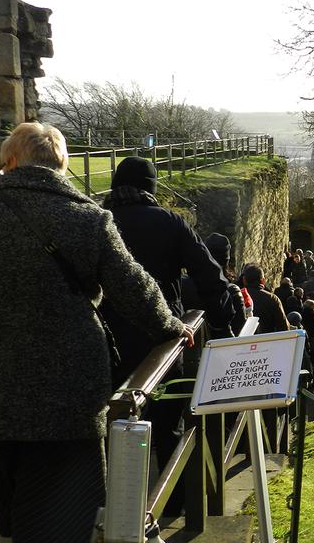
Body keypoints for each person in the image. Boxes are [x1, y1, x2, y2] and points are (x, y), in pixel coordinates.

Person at [0, 122, 192, 542]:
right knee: (68, 503)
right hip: (70, 384)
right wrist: (171, 326)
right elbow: (135, 289)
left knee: (15, 501)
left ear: (10, 161)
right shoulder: (89, 219)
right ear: (61, 165)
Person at [101, 155, 235, 516]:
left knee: (110, 422)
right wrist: (222, 319)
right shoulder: (169, 222)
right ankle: (174, 505)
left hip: (105, 339)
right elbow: (210, 277)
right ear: (151, 187)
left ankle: (115, 506)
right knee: (166, 425)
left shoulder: (98, 221)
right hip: (158, 341)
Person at [182, 233, 246, 336]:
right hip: (220, 349)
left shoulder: (182, 284)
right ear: (226, 261)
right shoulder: (231, 291)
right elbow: (240, 331)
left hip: (189, 346)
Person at [241, 264, 291, 334]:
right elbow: (284, 327)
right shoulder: (272, 299)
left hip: (238, 342)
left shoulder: (237, 297)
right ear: (263, 281)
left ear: (244, 280)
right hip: (265, 341)